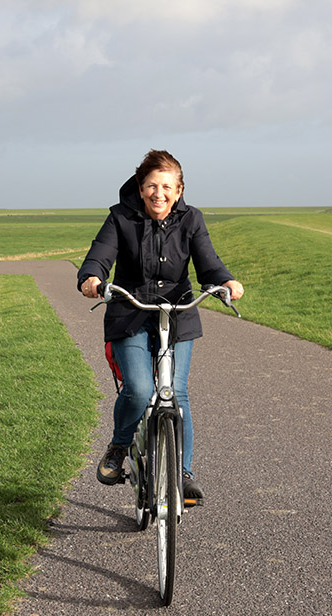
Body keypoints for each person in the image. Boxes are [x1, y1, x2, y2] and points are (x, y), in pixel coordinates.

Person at [78, 150, 243, 504]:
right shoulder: (120, 218)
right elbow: (100, 253)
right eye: (152, 185)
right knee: (138, 389)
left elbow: (208, 263)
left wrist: (226, 282)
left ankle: (182, 474)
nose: (159, 193)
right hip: (130, 310)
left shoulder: (192, 220)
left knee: (176, 394)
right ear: (140, 188)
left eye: (167, 186)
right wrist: (92, 276)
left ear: (179, 190)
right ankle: (119, 447)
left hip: (178, 311)